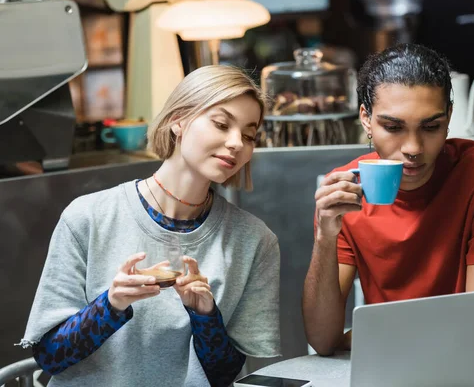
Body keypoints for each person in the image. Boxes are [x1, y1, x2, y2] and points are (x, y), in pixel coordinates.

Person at [302, 43, 474, 387]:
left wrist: (372, 335)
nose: (413, 148)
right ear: (365, 119)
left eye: (430, 127)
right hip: (399, 374)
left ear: (448, 119)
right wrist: (325, 237)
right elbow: (323, 339)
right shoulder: (345, 193)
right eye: (393, 127)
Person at [20, 65, 281, 387]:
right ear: (178, 121)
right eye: (221, 124)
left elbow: (225, 375)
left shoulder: (255, 240)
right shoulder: (87, 217)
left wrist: (205, 316)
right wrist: (111, 304)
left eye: (248, 135)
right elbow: (49, 357)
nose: (235, 143)